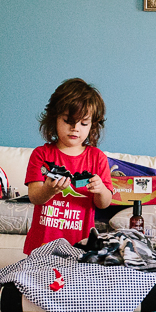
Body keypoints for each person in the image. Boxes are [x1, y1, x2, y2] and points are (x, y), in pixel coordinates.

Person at [23, 78, 114, 254]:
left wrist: (101, 189)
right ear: (54, 119)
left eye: (83, 123)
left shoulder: (97, 158)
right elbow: (35, 197)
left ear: (93, 126)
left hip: (79, 244)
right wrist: (49, 190)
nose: (75, 128)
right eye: (68, 121)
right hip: (42, 244)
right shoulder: (41, 154)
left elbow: (105, 203)